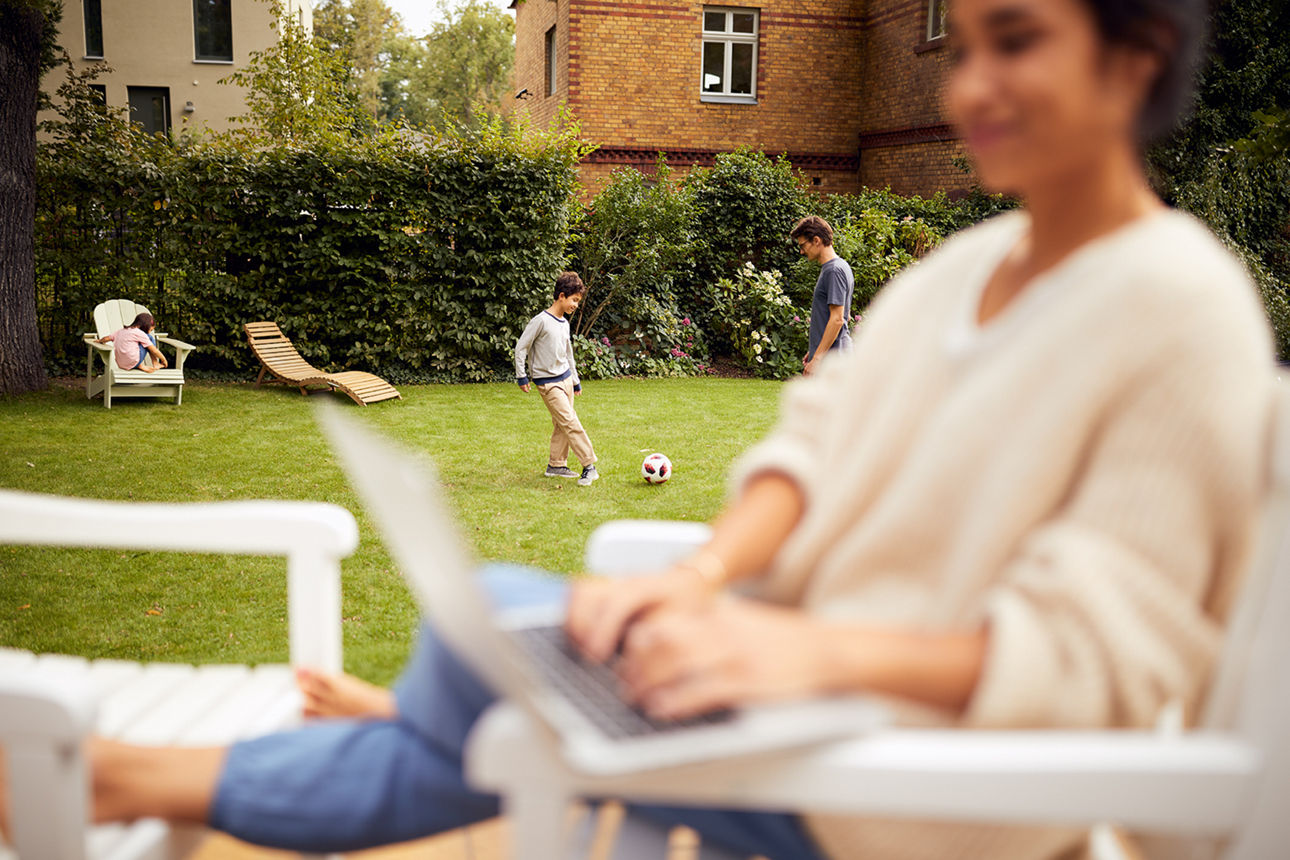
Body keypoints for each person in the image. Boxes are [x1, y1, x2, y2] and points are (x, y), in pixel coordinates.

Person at [4, 0, 1275, 857]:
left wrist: (805, 657)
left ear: (1139, 52)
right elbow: (815, 439)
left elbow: (1098, 648)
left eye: (1017, 41)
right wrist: (706, 574)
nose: (973, 83)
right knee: (502, 653)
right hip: (797, 696)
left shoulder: (1179, 308)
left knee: (491, 655)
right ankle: (215, 761)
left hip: (913, 783)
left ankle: (269, 749)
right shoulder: (975, 264)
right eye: (965, 46)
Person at [515, 272, 600, 486]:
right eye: (574, 300)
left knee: (562, 424)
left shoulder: (564, 323)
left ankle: (556, 465)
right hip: (548, 383)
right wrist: (521, 375)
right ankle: (589, 465)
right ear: (561, 296)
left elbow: (568, 353)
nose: (575, 305)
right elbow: (521, 347)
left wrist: (575, 380)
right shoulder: (541, 321)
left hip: (566, 380)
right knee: (570, 422)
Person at [791, 216, 855, 376]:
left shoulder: (834, 271)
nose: (801, 251)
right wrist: (816, 349)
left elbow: (838, 319)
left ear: (817, 240)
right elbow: (843, 314)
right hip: (830, 357)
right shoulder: (837, 268)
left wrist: (818, 358)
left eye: (803, 245)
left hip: (834, 361)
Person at [95, 312, 168, 374]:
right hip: (133, 361)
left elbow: (106, 338)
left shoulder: (121, 331)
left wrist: (100, 341)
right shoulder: (140, 333)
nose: (150, 331)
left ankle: (140, 366)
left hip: (121, 363)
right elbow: (154, 350)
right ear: (147, 326)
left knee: (135, 344)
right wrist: (163, 359)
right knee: (150, 337)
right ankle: (155, 363)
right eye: (150, 329)